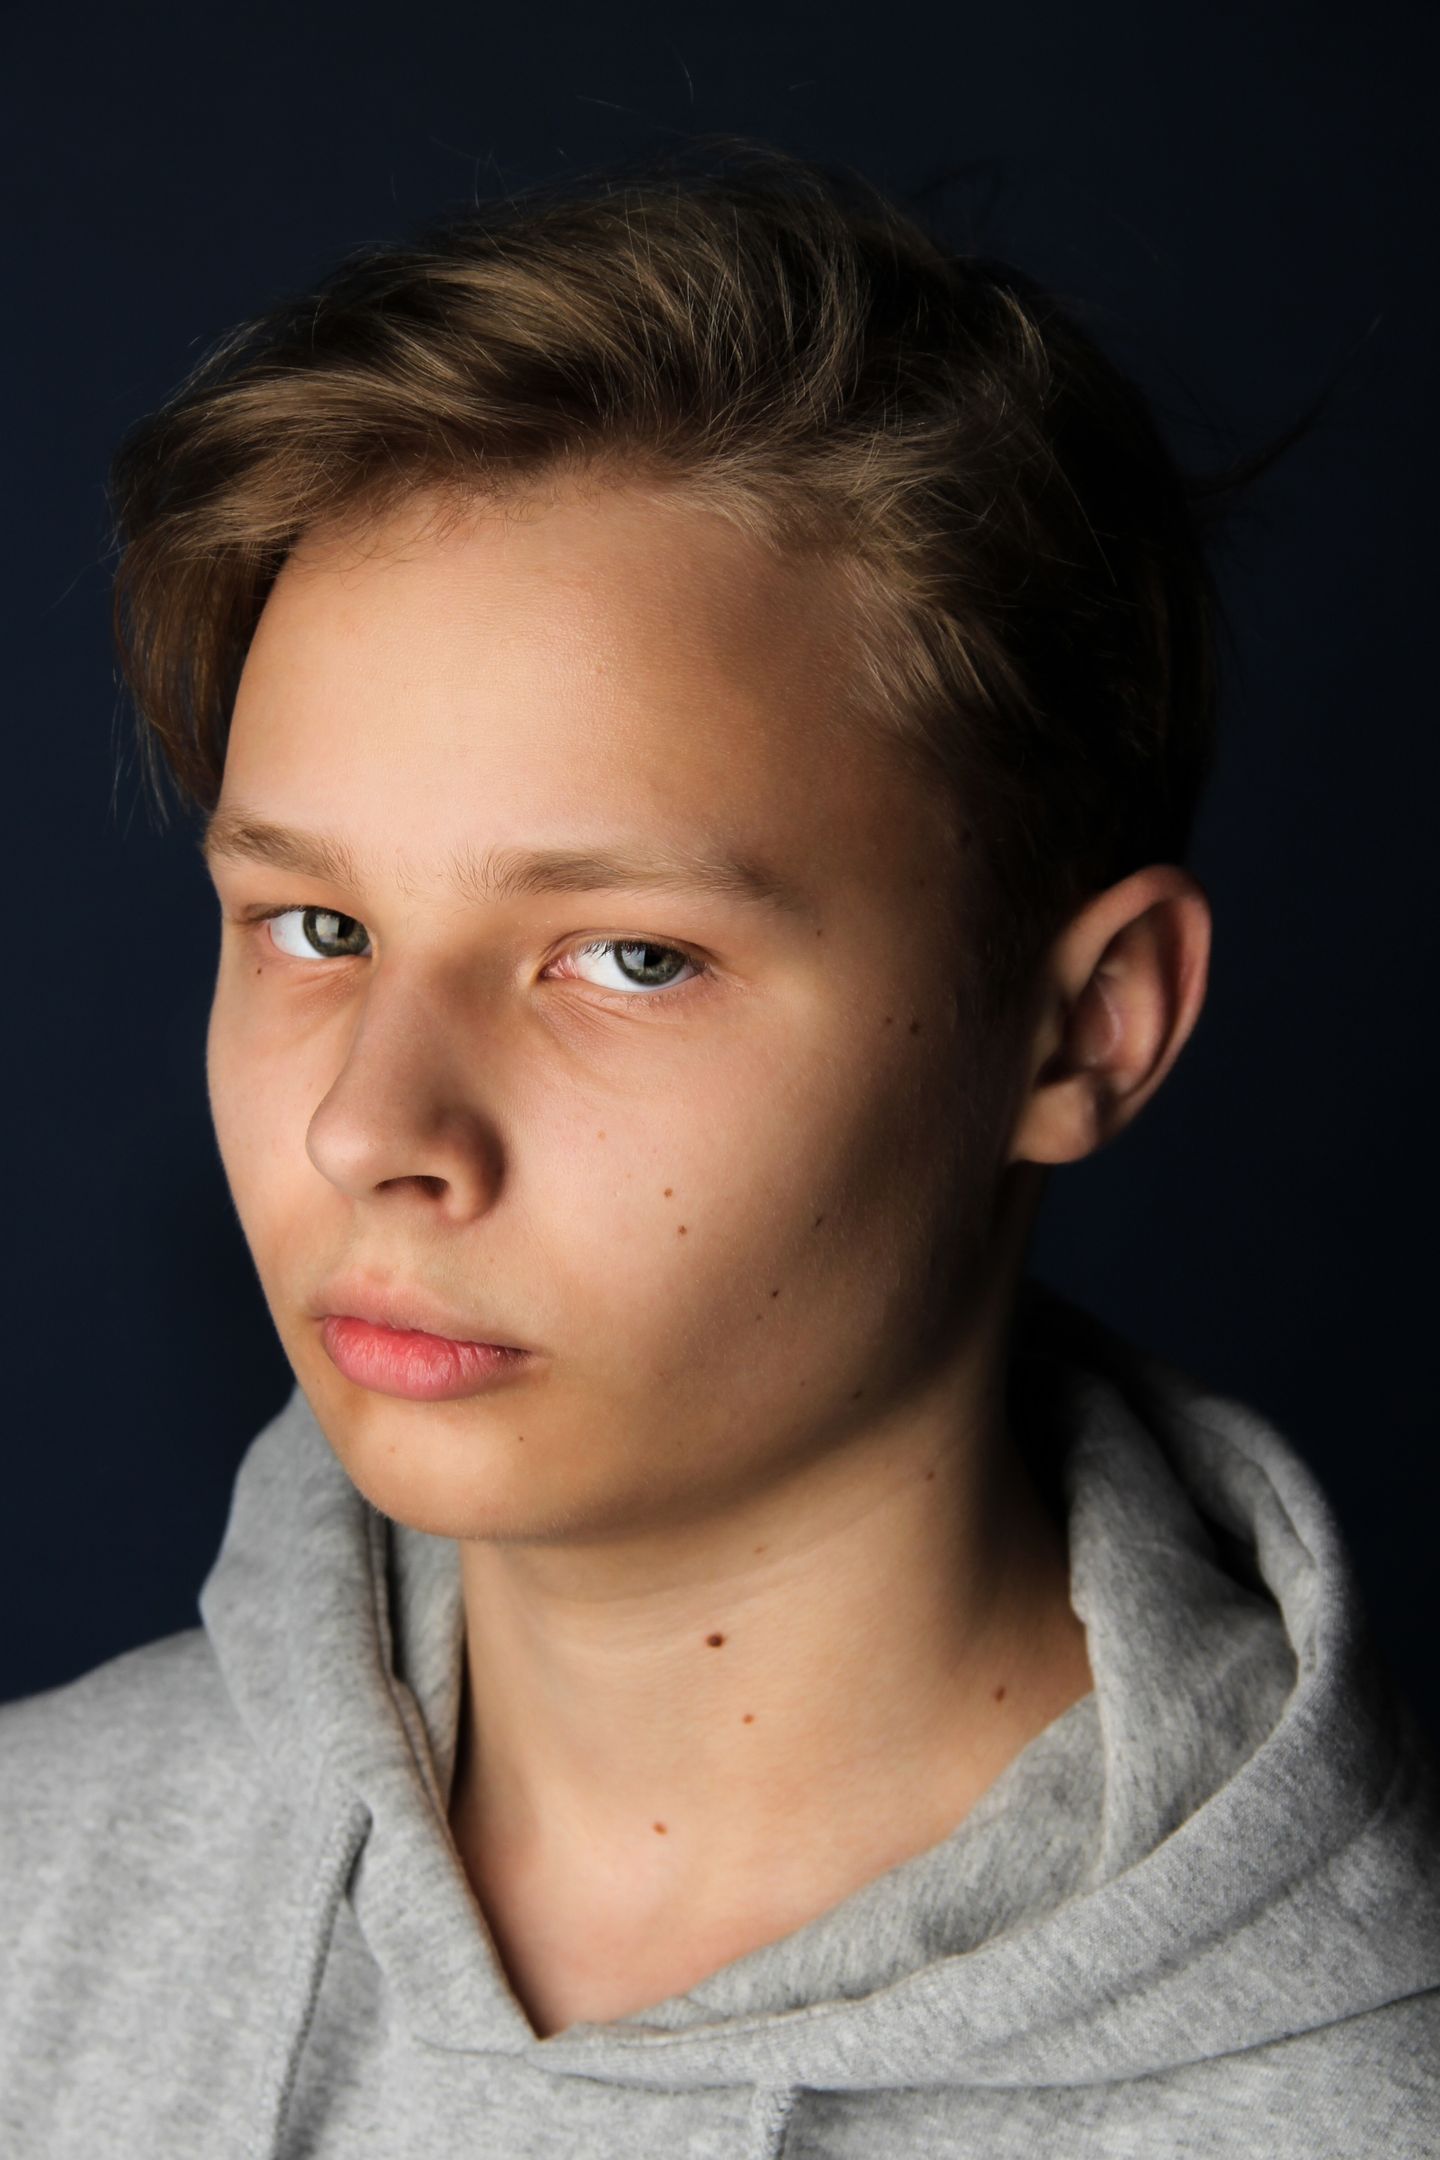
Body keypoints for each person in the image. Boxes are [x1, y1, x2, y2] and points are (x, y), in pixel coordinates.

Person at [2, 137, 1435, 2158]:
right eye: (316, 928)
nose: (372, 1126)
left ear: (1086, 1025)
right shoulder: (29, 1898)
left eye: (630, 958)